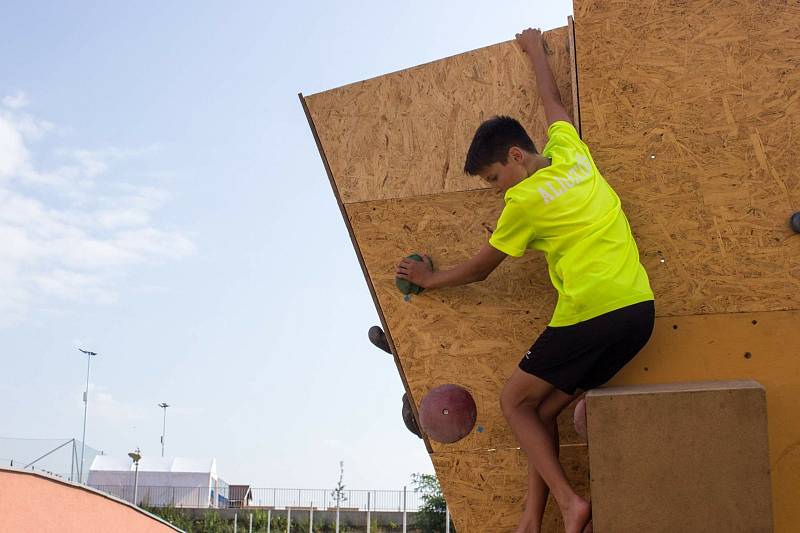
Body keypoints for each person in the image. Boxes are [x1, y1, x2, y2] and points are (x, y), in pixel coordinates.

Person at [395, 28, 655, 533]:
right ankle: (532, 520)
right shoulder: (572, 152)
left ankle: (571, 503)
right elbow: (551, 101)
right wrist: (537, 49)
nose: (496, 191)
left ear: (515, 157)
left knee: (513, 401)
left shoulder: (523, 202)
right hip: (638, 313)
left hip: (593, 313)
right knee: (538, 412)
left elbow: (479, 268)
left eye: (493, 178)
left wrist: (429, 279)